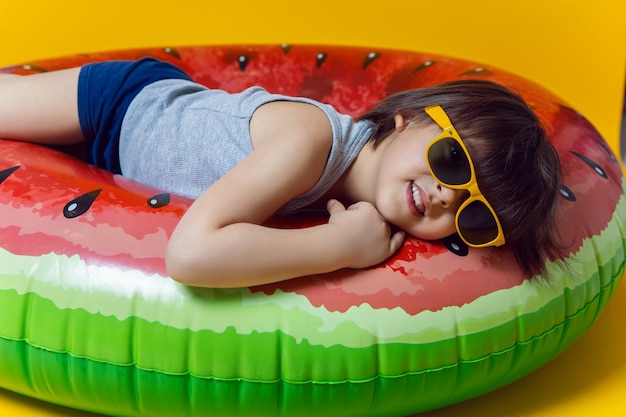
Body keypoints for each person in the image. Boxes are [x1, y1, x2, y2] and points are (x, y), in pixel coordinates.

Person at [0, 58, 562, 287]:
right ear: (407, 117)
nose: (445, 196)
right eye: (452, 160)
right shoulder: (307, 141)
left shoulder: (356, 182)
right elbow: (191, 256)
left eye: (475, 216)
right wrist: (338, 247)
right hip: (123, 105)